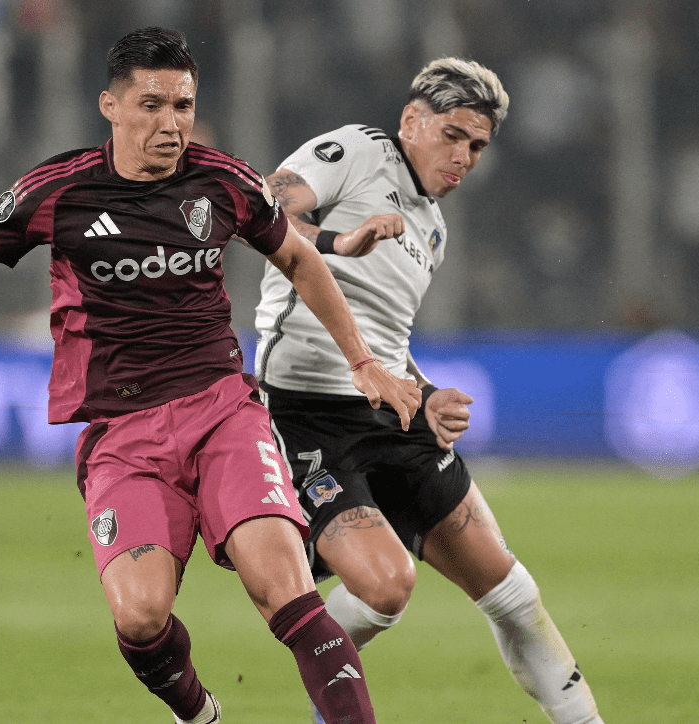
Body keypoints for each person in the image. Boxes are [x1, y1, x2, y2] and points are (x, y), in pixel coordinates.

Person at [0, 27, 420, 724]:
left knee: (282, 585)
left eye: (183, 105)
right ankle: (200, 713)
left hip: (223, 410)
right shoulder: (59, 190)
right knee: (140, 615)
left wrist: (363, 361)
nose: (172, 123)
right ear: (111, 106)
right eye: (153, 105)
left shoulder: (225, 181)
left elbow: (302, 260)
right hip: (124, 433)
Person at [254, 58, 605, 724]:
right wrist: (342, 240)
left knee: (511, 589)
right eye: (453, 135)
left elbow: (387, 334)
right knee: (387, 588)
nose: (464, 156)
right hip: (306, 414)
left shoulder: (433, 228)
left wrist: (426, 388)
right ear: (412, 120)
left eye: (477, 146)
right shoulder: (357, 150)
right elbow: (262, 212)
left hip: (388, 408)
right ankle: (323, 660)